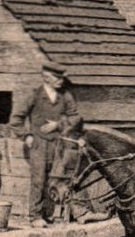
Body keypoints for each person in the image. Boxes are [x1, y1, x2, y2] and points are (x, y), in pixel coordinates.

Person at [10, 63, 83, 228]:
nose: (61, 81)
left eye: (62, 78)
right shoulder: (35, 95)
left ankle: (49, 214)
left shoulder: (65, 96)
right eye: (57, 78)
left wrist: (58, 124)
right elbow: (16, 120)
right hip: (39, 144)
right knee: (39, 179)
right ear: (46, 78)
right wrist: (27, 136)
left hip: (59, 144)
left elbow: (76, 118)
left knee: (54, 178)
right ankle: (35, 216)